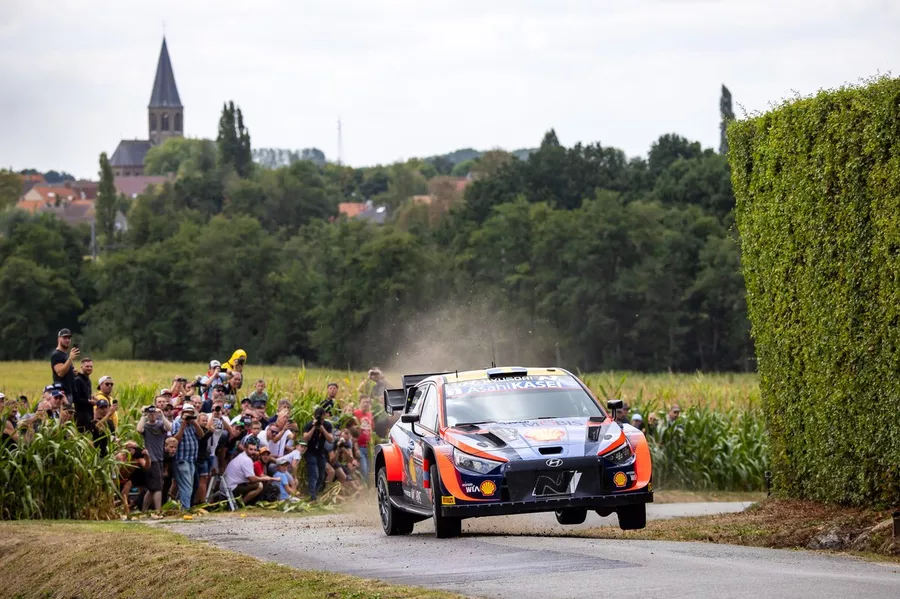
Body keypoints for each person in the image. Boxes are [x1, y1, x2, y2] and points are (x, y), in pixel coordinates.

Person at [137, 402, 173, 511]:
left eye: (153, 413)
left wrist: (162, 415)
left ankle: (144, 510)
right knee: (158, 488)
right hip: (152, 459)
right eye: (150, 413)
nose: (152, 415)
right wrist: (144, 415)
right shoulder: (146, 426)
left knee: (152, 488)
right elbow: (139, 429)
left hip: (160, 458)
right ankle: (158, 511)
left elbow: (169, 428)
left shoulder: (160, 425)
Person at [223, 436, 277, 505]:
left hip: (229, 486)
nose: (253, 452)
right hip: (231, 488)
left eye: (255, 450)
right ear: (245, 448)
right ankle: (241, 504)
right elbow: (252, 479)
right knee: (260, 485)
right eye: (251, 449)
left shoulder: (242, 456)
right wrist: (265, 478)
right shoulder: (247, 460)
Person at [171, 403, 204, 510]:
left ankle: (182, 507)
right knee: (186, 486)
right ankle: (185, 508)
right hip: (181, 459)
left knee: (189, 486)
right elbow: (175, 440)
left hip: (191, 459)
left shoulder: (193, 424)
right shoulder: (177, 423)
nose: (189, 415)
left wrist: (194, 422)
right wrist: (183, 425)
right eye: (187, 413)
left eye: (191, 413)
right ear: (182, 413)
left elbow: (202, 435)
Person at [302, 406, 334, 500]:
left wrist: (322, 429)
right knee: (314, 474)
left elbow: (331, 439)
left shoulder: (327, 425)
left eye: (322, 419)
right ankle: (312, 496)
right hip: (310, 452)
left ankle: (316, 493)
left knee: (321, 475)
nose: (321, 420)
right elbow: (305, 438)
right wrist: (313, 427)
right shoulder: (310, 424)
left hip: (320, 452)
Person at [50, 328, 79, 405]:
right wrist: (70, 359)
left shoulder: (65, 354)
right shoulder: (56, 355)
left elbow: (66, 370)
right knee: (65, 412)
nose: (67, 340)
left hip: (69, 392)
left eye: (69, 338)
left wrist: (73, 372)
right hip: (62, 394)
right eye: (65, 337)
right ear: (59, 339)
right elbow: (60, 373)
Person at [353, 396, 373, 483]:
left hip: (368, 447)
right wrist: (356, 448)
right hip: (359, 446)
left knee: (369, 470)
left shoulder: (370, 414)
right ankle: (364, 487)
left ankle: (368, 488)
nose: (365, 404)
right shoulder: (355, 414)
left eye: (367, 402)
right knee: (364, 470)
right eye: (364, 402)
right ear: (359, 403)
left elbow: (371, 429)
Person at [72, 356, 94, 432]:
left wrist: (92, 398)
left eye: (91, 366)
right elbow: (75, 399)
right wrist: (89, 401)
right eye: (87, 366)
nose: (89, 368)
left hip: (89, 413)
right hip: (81, 414)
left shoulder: (88, 380)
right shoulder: (78, 380)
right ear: (81, 366)